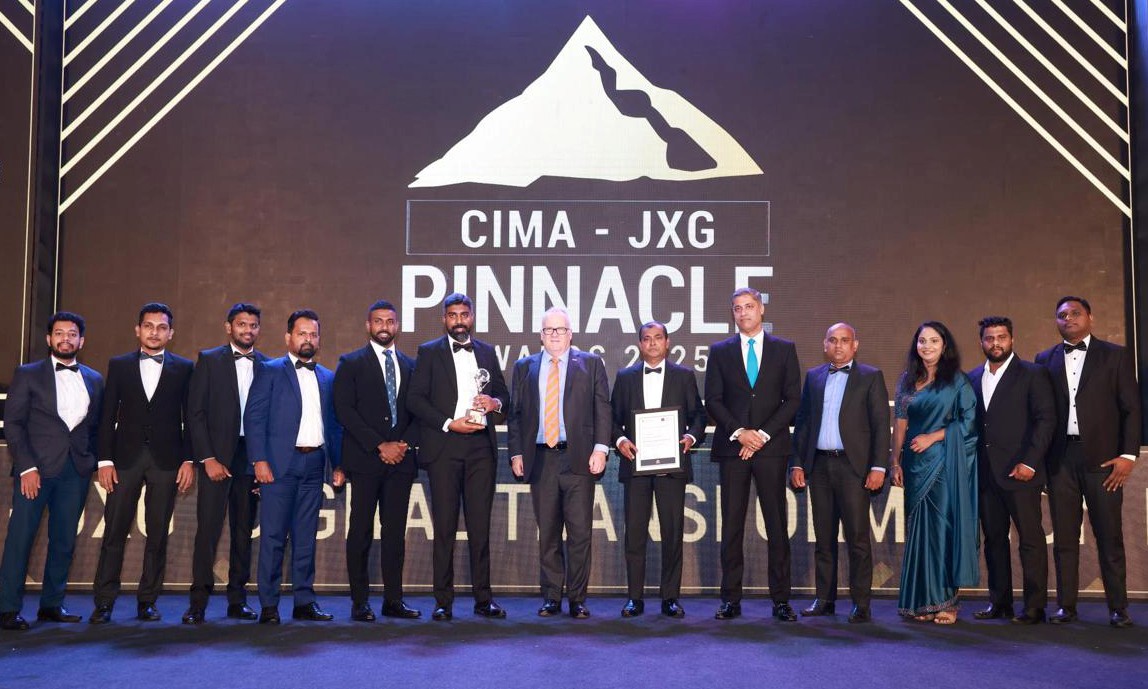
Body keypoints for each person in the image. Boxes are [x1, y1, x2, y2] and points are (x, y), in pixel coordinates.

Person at [1035, 296, 1140, 627]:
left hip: (1104, 460)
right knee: (1065, 539)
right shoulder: (1044, 359)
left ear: (1090, 317)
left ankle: (1118, 608)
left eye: (1075, 313)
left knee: (1109, 537)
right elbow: (1042, 415)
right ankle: (1066, 607)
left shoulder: (1115, 355)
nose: (1069, 318)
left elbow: (1132, 408)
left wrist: (1128, 455)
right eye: (1062, 315)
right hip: (1060, 461)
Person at [91, 302, 195, 624]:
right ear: (138, 330)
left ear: (171, 333)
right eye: (148, 326)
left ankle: (148, 601)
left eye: (161, 327)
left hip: (167, 460)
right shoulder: (119, 365)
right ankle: (104, 602)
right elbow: (107, 415)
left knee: (158, 534)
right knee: (114, 532)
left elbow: (191, 417)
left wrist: (188, 459)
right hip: (124, 459)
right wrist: (105, 459)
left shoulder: (184, 368)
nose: (154, 332)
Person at [407, 293, 509, 621]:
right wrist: (450, 423)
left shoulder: (487, 352)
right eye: (453, 315)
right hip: (445, 448)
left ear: (472, 317)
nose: (459, 321)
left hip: (481, 450)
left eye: (464, 314)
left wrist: (494, 403)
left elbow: (504, 396)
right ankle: (443, 601)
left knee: (480, 528)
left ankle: (484, 599)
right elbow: (415, 400)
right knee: (445, 528)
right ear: (444, 319)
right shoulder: (429, 352)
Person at [0, 312, 103, 630]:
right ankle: (7, 608)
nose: (65, 339)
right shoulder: (28, 374)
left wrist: (90, 460)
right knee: (20, 539)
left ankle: (52, 605)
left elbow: (95, 427)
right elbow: (13, 424)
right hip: (36, 471)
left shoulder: (94, 379)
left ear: (81, 341)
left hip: (75, 471)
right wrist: (27, 467)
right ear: (49, 339)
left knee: (64, 540)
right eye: (59, 333)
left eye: (72, 334)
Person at [508, 307, 612, 619]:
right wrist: (516, 453)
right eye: (549, 330)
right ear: (541, 335)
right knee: (549, 534)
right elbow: (515, 415)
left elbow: (602, 409)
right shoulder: (524, 367)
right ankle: (552, 597)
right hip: (541, 459)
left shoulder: (591, 363)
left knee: (580, 535)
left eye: (561, 329)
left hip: (579, 458)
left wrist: (601, 449)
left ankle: (577, 599)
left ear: (570, 334)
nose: (555, 334)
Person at [704, 287, 801, 621]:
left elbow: (792, 399)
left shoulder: (784, 349)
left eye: (748, 306)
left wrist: (760, 435)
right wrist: (740, 433)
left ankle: (781, 600)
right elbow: (713, 400)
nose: (743, 312)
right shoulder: (720, 351)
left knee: (776, 525)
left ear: (761, 309)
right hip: (733, 449)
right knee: (731, 526)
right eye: (737, 308)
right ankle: (730, 599)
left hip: (771, 450)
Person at [244, 309, 344, 624]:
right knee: (273, 538)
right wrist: (259, 460)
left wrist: (338, 464)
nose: (308, 339)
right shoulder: (269, 370)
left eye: (313, 334)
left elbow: (334, 425)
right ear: (288, 337)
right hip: (277, 466)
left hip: (314, 464)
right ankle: (269, 605)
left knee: (305, 537)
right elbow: (254, 418)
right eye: (302, 333)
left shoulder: (327, 376)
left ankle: (304, 602)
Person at [789, 322, 889, 623]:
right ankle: (825, 599)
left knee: (858, 539)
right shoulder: (814, 377)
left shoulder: (871, 376)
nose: (838, 345)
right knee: (824, 538)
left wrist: (878, 466)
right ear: (825, 345)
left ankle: (861, 604)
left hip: (853, 468)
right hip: (819, 466)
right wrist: (797, 463)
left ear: (855, 345)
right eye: (833, 340)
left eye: (845, 340)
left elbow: (880, 424)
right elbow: (803, 423)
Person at [610, 322, 706, 618]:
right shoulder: (625, 377)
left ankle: (670, 598)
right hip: (636, 465)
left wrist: (690, 437)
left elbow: (699, 416)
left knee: (673, 533)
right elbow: (611, 418)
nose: (652, 343)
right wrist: (620, 440)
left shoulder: (684, 376)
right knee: (635, 534)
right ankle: (634, 598)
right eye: (647, 339)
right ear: (640, 344)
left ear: (667, 342)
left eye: (658, 338)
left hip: (671, 466)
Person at [334, 300, 421, 621]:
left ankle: (393, 600)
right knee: (360, 531)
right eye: (378, 321)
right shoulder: (350, 363)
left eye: (390, 321)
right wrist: (379, 445)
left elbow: (419, 411)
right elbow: (344, 410)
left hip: (402, 462)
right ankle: (360, 602)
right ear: (368, 325)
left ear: (397, 326)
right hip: (365, 461)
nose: (384, 326)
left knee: (395, 534)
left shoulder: (412, 365)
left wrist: (402, 445)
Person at [182, 303, 266, 624]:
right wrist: (207, 458)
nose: (248, 330)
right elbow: (196, 413)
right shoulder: (209, 360)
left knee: (243, 532)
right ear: (228, 327)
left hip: (250, 457)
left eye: (253, 325)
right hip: (216, 457)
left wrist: (262, 462)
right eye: (241, 324)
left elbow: (270, 418)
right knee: (208, 531)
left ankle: (237, 600)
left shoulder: (268, 365)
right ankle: (198, 603)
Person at [889, 321, 978, 625]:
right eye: (922, 341)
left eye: (934, 341)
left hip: (943, 462)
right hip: (914, 466)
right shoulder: (907, 380)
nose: (927, 346)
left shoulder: (957, 381)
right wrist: (895, 461)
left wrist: (934, 436)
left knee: (941, 530)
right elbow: (900, 424)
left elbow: (968, 423)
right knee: (920, 534)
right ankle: (923, 601)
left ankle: (948, 603)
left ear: (945, 346)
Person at [967, 316, 1054, 625]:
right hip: (985, 474)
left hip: (1022, 472)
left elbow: (1046, 420)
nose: (996, 343)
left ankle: (1034, 607)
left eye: (1001, 337)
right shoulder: (972, 377)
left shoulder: (1032, 373)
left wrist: (1030, 462)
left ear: (1012, 339)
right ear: (981, 342)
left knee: (1030, 540)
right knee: (994, 540)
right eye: (989, 338)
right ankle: (999, 602)